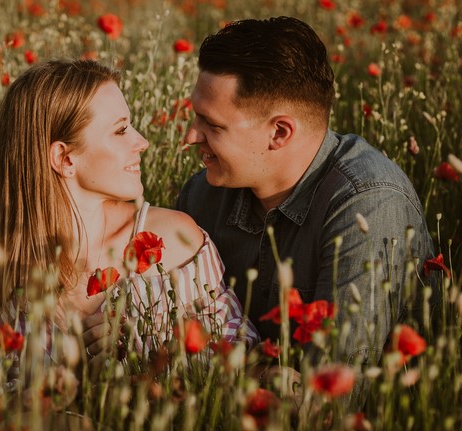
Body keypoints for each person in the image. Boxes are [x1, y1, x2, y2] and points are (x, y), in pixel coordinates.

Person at [0, 59, 257, 411]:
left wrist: (147, 355)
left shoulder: (172, 243)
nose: (142, 142)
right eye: (120, 131)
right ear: (64, 158)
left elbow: (243, 357)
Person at [175, 17, 435, 371]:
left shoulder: (368, 205)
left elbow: (334, 391)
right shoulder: (202, 196)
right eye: (195, 117)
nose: (191, 136)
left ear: (279, 132)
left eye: (213, 125)